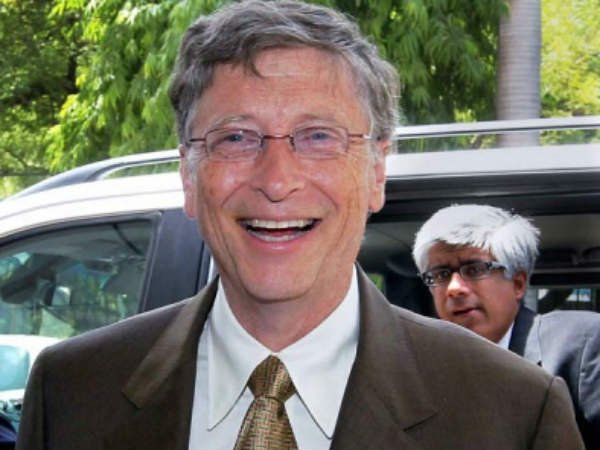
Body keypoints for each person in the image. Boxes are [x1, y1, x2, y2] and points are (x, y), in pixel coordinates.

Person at [17, 2, 583, 449]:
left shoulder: (514, 412)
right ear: (189, 174)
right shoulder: (71, 390)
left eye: (318, 136)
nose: (277, 179)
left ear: (376, 172)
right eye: (236, 137)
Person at [413, 203, 600, 449]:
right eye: (441, 275)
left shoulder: (583, 345)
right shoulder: (419, 372)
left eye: (474, 269)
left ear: (518, 284)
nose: (454, 288)